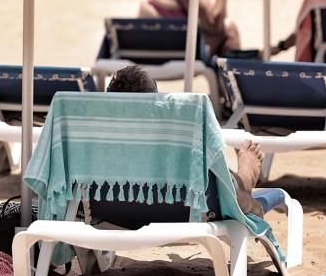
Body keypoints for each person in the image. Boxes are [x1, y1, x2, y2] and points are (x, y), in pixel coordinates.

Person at [106, 65, 264, 217]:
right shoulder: (179, 139)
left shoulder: (94, 151)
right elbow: (232, 201)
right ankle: (245, 178)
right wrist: (253, 205)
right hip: (184, 216)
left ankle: (241, 181)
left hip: (112, 216)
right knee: (210, 170)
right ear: (156, 103)